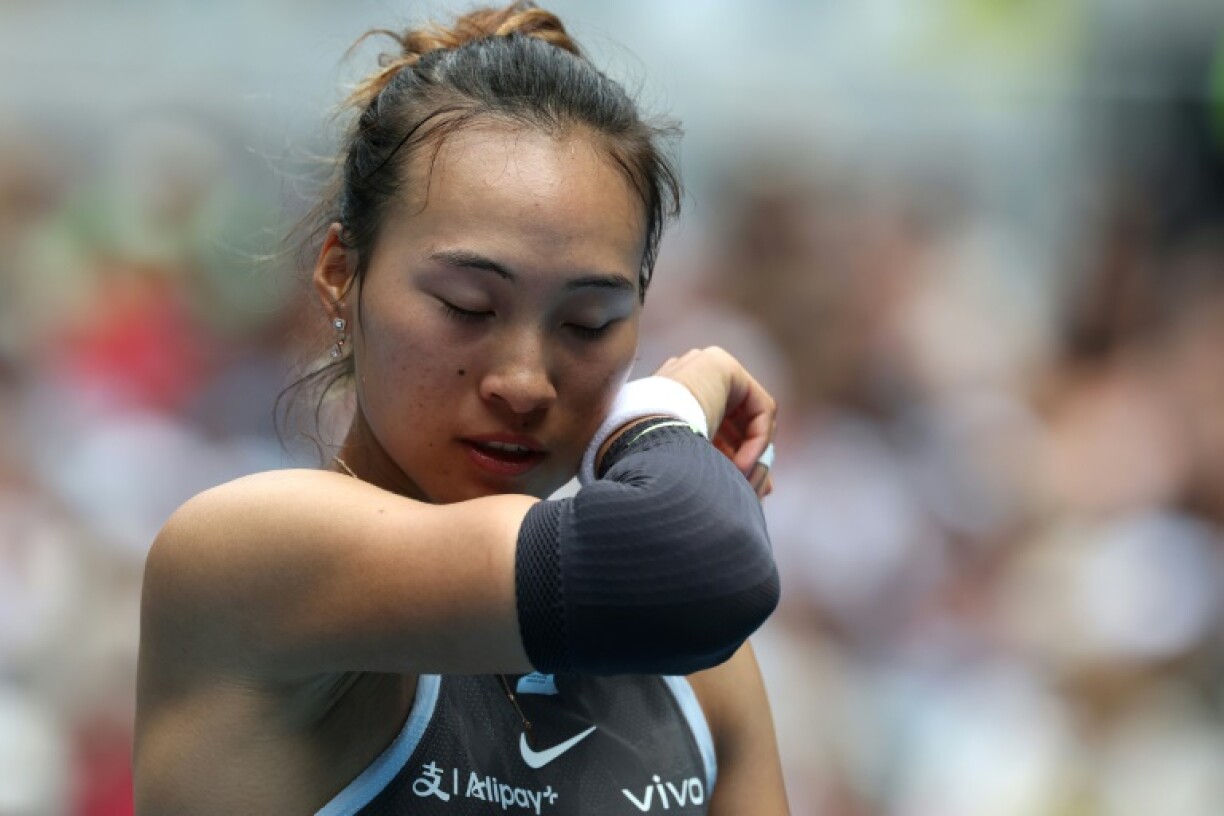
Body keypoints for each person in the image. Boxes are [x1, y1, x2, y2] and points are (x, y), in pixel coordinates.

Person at [133, 4, 787, 814]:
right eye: (468, 306)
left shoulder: (697, 670)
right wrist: (663, 410)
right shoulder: (245, 558)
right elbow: (688, 563)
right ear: (342, 273)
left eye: (589, 323)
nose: (524, 380)